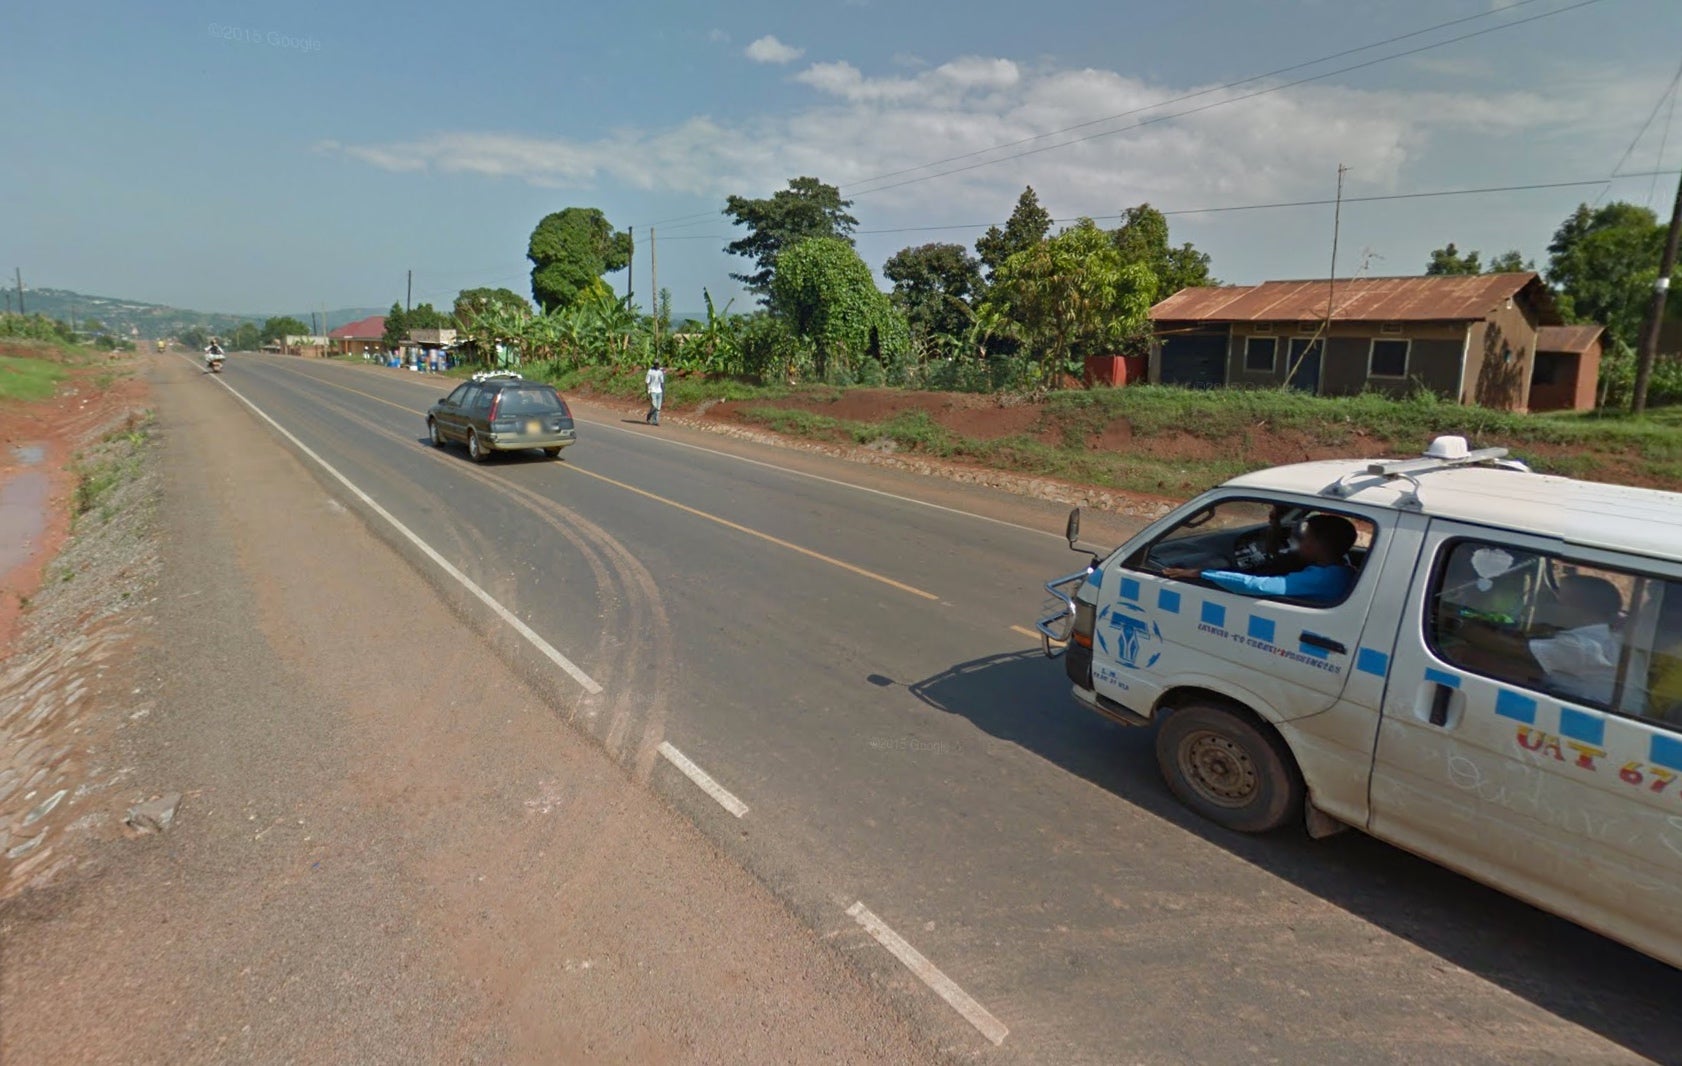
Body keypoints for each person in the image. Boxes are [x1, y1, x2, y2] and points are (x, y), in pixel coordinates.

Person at [1163, 514, 1359, 604]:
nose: (1298, 543)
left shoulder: (1320, 579)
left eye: (1303, 538)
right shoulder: (1343, 567)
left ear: (1317, 544)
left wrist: (1202, 573)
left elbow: (1258, 586)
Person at [1527, 575, 1624, 706]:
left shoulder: (1579, 647)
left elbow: (1508, 652)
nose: (1549, 605)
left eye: (1558, 600)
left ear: (1581, 610)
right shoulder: (1616, 638)